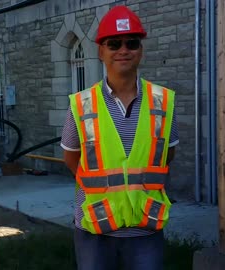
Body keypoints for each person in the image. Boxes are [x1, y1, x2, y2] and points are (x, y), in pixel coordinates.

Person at [60, 5, 179, 270]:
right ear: (101, 51)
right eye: (114, 44)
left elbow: (167, 155)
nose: (123, 50)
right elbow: (71, 160)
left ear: (141, 50)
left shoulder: (163, 101)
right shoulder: (81, 104)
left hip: (144, 229)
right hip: (95, 229)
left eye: (132, 43)